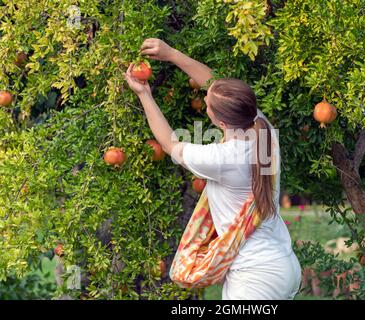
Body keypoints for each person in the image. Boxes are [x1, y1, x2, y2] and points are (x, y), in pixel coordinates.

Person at [124, 38, 301, 300]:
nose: (204, 98)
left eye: (207, 103)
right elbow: (214, 85)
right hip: (283, 265)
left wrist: (144, 94)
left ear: (218, 120)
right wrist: (171, 53)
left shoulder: (223, 158)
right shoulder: (263, 131)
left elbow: (169, 143)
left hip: (254, 279)